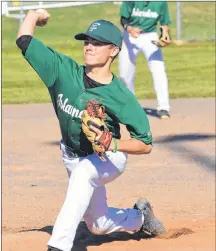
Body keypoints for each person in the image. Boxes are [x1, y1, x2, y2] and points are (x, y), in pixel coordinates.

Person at [16, 9, 165, 251]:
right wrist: (34, 16)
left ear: (113, 51)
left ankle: (59, 245)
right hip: (72, 154)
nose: (89, 47)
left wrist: (113, 144)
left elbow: (145, 143)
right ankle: (140, 218)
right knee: (98, 224)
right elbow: (25, 41)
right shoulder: (62, 71)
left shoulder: (121, 96)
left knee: (85, 172)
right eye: (87, 42)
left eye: (97, 43)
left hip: (108, 157)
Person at [119, 1, 171, 119]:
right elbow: (123, 19)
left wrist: (166, 35)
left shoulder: (160, 2)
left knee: (159, 70)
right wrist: (130, 29)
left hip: (150, 36)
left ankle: (163, 107)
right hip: (130, 35)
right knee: (125, 73)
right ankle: (130, 106)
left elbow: (165, 23)